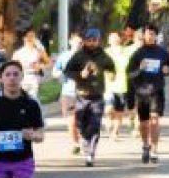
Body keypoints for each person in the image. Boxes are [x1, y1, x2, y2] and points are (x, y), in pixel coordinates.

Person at [63, 28, 116, 167]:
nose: (92, 42)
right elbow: (67, 71)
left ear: (99, 41)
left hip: (97, 96)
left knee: (95, 124)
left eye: (95, 40)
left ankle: (90, 153)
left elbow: (111, 68)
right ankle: (85, 143)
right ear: (85, 40)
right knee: (81, 124)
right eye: (90, 40)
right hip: (82, 95)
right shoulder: (79, 56)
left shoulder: (103, 55)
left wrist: (111, 74)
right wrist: (80, 75)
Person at [126, 24, 169, 164]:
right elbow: (130, 73)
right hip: (142, 91)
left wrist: (167, 70)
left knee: (154, 120)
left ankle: (154, 150)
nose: (150, 36)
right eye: (148, 34)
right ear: (143, 35)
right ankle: (145, 144)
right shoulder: (138, 53)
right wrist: (139, 69)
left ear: (156, 36)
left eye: (153, 34)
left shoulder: (162, 52)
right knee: (144, 123)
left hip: (156, 90)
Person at [52, 33, 83, 155]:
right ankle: (75, 143)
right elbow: (55, 71)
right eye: (76, 42)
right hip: (68, 92)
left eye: (80, 42)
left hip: (84, 92)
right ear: (71, 42)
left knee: (82, 119)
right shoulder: (64, 56)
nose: (78, 44)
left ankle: (83, 139)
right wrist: (58, 74)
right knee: (71, 119)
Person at [104, 32, 133, 140]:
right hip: (108, 86)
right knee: (109, 108)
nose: (115, 40)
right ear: (109, 41)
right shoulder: (105, 52)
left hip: (122, 85)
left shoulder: (125, 52)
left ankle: (115, 132)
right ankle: (108, 118)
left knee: (119, 112)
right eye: (112, 38)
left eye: (116, 38)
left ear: (120, 40)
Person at [11, 29, 51, 99]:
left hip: (34, 78)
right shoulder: (18, 53)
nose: (31, 39)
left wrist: (41, 66)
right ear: (24, 38)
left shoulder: (38, 51)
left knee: (33, 100)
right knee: (21, 100)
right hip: (22, 79)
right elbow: (12, 67)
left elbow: (49, 62)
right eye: (29, 37)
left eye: (33, 37)